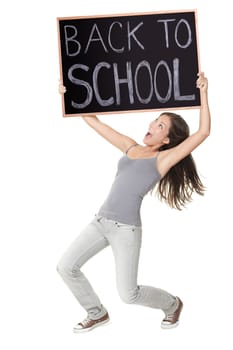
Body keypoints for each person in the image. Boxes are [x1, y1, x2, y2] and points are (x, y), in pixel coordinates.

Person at [57, 72, 210, 333]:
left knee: (128, 295)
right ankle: (97, 312)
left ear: (167, 141)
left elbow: (203, 132)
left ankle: (172, 304)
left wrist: (203, 93)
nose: (153, 124)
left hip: (126, 229)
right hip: (101, 221)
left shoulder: (163, 160)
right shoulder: (130, 147)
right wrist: (70, 96)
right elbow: (93, 122)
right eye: (155, 120)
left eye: (161, 126)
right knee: (66, 266)